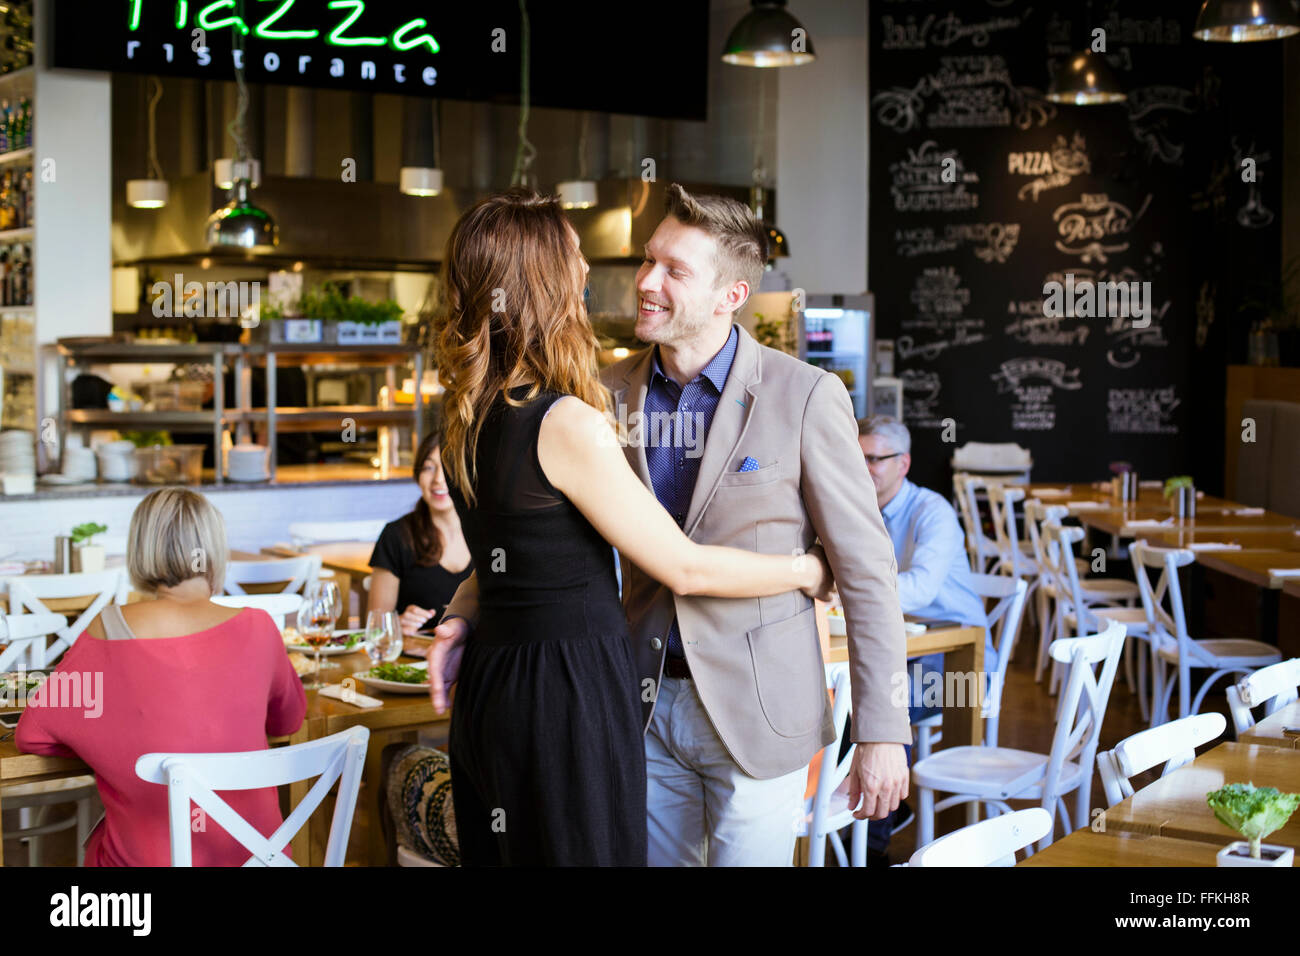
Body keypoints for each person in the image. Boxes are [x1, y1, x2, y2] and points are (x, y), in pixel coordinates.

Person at [433, 185, 910, 867]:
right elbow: (544, 538)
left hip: (757, 714)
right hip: (633, 707)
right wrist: (466, 611)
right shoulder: (595, 394)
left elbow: (867, 570)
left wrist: (884, 729)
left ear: (731, 295)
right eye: (648, 260)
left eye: (675, 271)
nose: (646, 282)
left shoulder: (805, 395)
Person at [16, 488, 306, 866]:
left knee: (67, 822)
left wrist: (115, 744)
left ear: (141, 552)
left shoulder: (108, 630)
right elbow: (289, 720)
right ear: (215, 552)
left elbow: (31, 734)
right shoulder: (261, 627)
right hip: (259, 859)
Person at [856, 414, 988, 861]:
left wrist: (844, 587)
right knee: (824, 700)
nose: (864, 467)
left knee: (874, 706)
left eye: (875, 459)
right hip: (896, 648)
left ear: (904, 463)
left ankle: (874, 848)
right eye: (857, 457)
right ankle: (861, 817)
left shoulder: (933, 511)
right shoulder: (855, 509)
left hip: (955, 662)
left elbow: (921, 588)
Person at [368, 426, 473, 636]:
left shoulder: (489, 533)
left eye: (449, 468)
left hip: (476, 660)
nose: (438, 480)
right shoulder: (396, 535)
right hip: (413, 662)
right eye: (428, 468)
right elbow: (375, 629)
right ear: (417, 475)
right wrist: (398, 624)